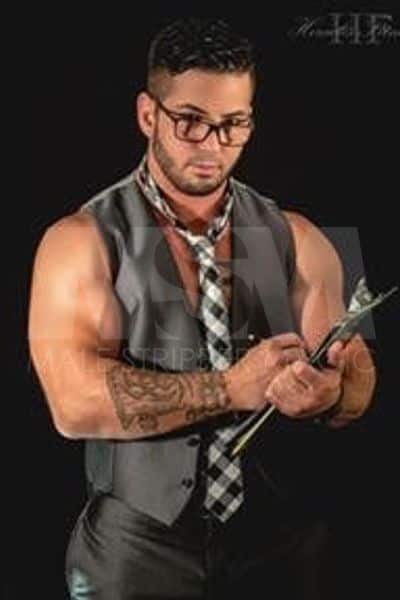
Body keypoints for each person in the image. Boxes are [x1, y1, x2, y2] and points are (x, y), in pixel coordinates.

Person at [28, 17, 376, 600]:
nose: (213, 146)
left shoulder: (298, 236)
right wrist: (231, 388)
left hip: (281, 545)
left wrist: (334, 392)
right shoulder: (81, 239)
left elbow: (359, 372)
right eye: (190, 121)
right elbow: (73, 402)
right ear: (148, 115)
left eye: (233, 124)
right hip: (137, 549)